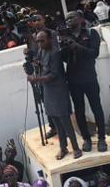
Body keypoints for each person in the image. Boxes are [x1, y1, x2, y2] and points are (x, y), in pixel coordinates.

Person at [27, 29, 80, 160]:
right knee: (56, 121)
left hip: (58, 90)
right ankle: (63, 148)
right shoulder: (41, 51)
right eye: (38, 41)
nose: (39, 43)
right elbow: (41, 66)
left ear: (49, 39)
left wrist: (37, 79)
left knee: (65, 121)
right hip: (48, 90)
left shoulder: (55, 53)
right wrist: (35, 64)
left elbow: (53, 75)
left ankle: (76, 148)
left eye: (42, 41)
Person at [61, 9, 106, 152]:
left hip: (89, 78)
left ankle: (101, 139)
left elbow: (94, 54)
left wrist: (77, 46)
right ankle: (86, 139)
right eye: (66, 19)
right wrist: (64, 47)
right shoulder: (64, 36)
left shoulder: (91, 34)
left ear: (80, 18)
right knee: (79, 111)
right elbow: (63, 59)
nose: (69, 21)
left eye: (71, 18)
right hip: (73, 80)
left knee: (96, 109)